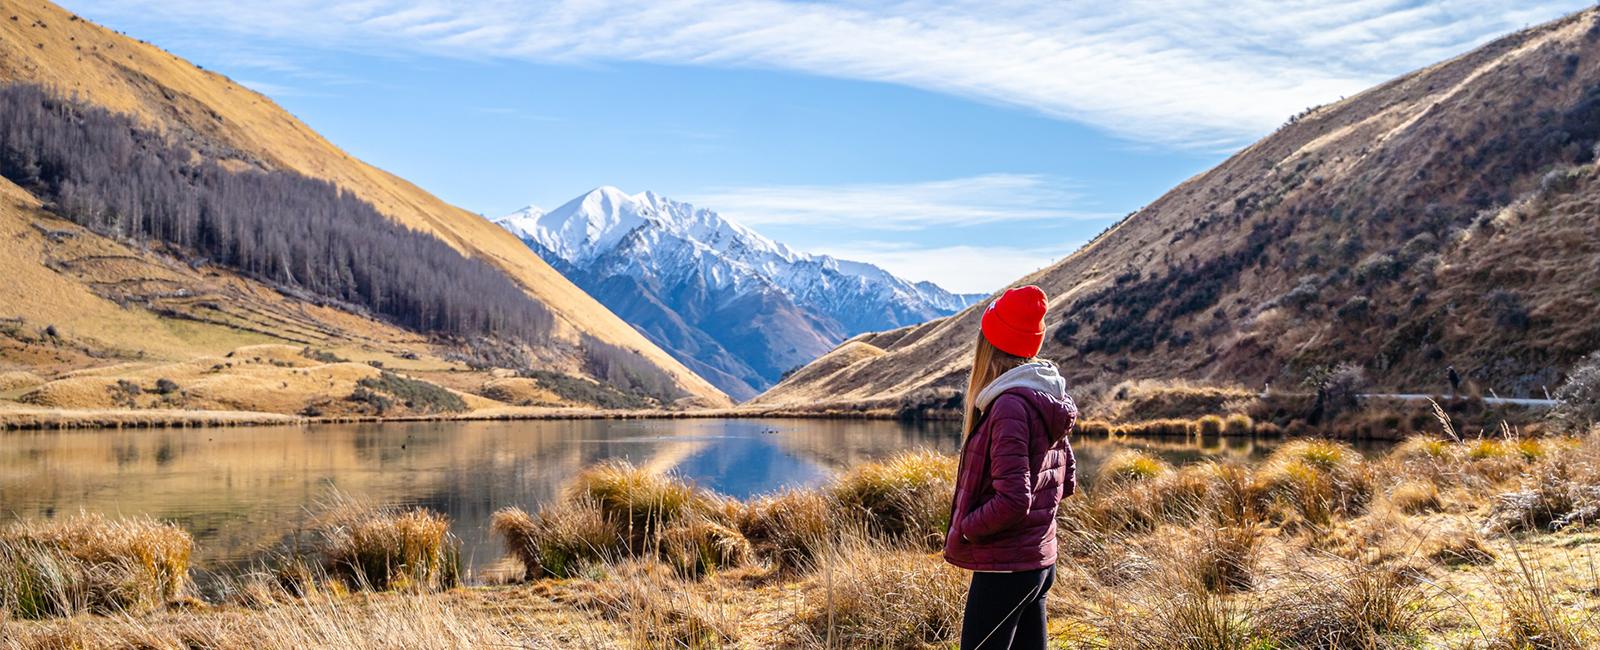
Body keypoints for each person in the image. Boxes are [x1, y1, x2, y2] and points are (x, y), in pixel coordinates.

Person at [943, 285, 1078, 650]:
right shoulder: (1047, 396)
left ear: (990, 346)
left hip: (1006, 567)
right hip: (1037, 560)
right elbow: (1064, 481)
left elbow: (1015, 500)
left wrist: (968, 527)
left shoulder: (1009, 407)